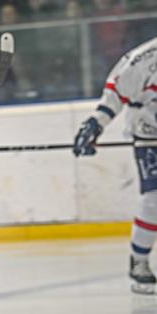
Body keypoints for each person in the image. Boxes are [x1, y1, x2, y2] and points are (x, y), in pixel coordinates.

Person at [73, 37, 157, 294]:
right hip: (150, 133)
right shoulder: (145, 59)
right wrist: (95, 125)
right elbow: (116, 93)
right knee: (154, 198)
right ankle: (139, 261)